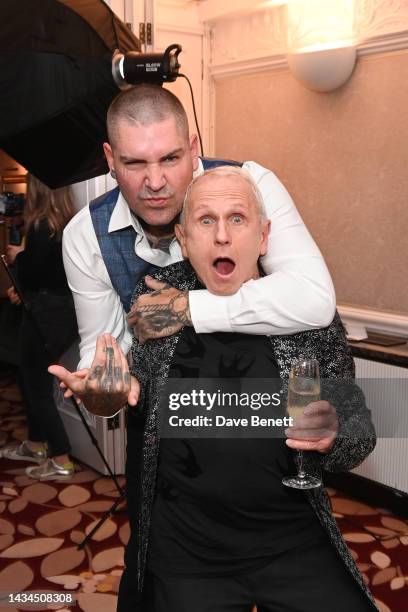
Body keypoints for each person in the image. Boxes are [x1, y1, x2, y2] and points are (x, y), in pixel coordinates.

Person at [52, 168, 377, 611]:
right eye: (206, 221)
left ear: (263, 237)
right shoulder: (156, 309)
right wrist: (107, 394)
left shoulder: (304, 315)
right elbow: (125, 396)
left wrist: (336, 431)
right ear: (184, 239)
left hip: (292, 539)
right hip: (187, 552)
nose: (222, 236)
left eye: (237, 219)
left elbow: (358, 430)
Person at [62, 83, 336, 375]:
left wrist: (184, 309)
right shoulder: (86, 235)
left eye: (170, 158)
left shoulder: (253, 185)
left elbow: (314, 297)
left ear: (193, 151)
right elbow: (102, 353)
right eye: (135, 162)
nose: (155, 182)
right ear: (110, 159)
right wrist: (102, 387)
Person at [2, 174, 77, 480]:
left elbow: (32, 276)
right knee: (29, 376)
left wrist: (18, 258)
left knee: (36, 386)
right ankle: (35, 443)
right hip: (61, 310)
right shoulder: (70, 226)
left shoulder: (42, 227)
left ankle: (61, 458)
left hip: (45, 313)